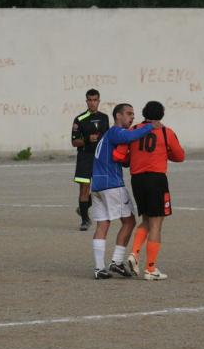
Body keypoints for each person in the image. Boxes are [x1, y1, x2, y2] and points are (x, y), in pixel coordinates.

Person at [113, 101, 185, 280]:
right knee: (156, 223)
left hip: (137, 180)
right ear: (161, 115)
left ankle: (134, 254)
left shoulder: (133, 130)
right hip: (156, 180)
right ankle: (150, 269)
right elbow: (179, 156)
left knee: (146, 219)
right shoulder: (166, 132)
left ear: (144, 113)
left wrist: (135, 157)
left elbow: (121, 156)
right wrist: (163, 152)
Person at [91, 103, 160, 280]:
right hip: (112, 185)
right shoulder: (116, 131)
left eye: (133, 114)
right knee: (129, 221)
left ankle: (99, 268)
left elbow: (120, 156)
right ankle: (117, 261)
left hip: (97, 184)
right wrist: (150, 126)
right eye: (128, 113)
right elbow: (130, 136)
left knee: (102, 224)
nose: (132, 117)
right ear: (118, 116)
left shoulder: (108, 135)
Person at [71, 89, 110, 231]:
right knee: (84, 188)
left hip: (100, 158)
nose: (92, 103)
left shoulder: (104, 117)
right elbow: (74, 142)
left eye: (95, 100)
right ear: (86, 101)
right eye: (90, 100)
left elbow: (107, 138)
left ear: (99, 101)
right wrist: (87, 139)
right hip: (85, 158)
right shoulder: (79, 119)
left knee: (102, 189)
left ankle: (84, 207)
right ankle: (85, 220)